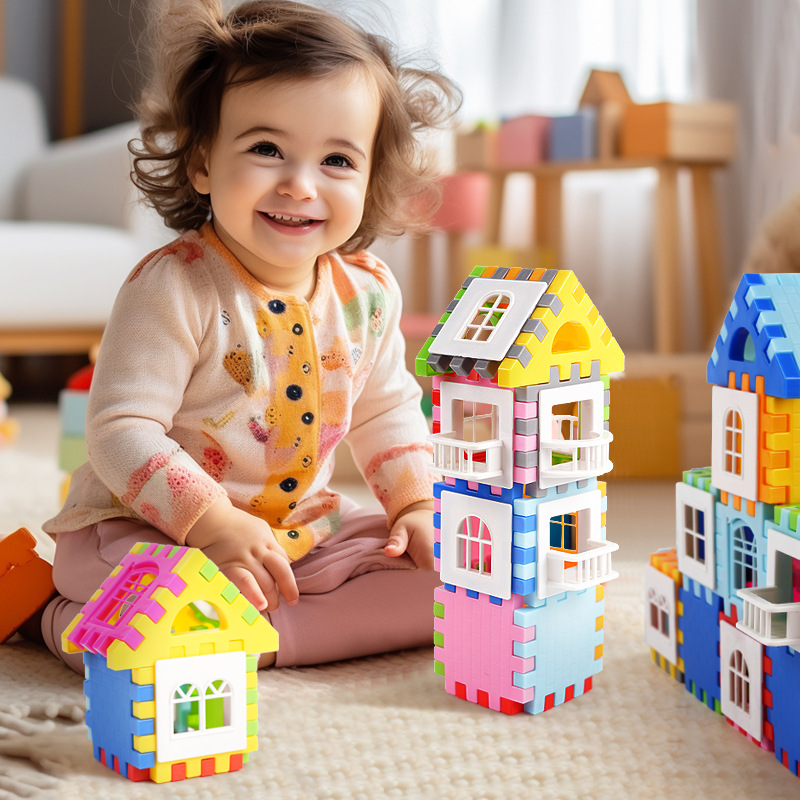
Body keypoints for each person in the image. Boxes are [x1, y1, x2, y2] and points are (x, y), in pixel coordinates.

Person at [38, 0, 461, 673]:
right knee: (144, 585)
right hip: (148, 527)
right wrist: (212, 524)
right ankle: (69, 622)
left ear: (372, 180)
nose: (299, 184)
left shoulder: (368, 293)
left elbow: (387, 410)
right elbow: (120, 432)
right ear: (203, 164)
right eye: (266, 149)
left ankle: (255, 634)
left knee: (450, 583)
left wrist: (416, 505)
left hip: (302, 530)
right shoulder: (173, 287)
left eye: (337, 161)